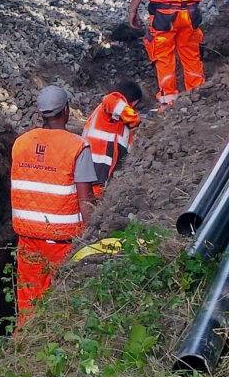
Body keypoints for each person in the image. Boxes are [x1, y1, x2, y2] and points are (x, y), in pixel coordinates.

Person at [10, 85, 98, 321]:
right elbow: (85, 199)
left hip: (27, 239)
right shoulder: (77, 147)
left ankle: (20, 349)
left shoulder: (21, 143)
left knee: (28, 304)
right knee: (58, 303)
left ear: (42, 114)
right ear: (66, 111)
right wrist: (93, 238)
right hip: (60, 242)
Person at [82, 80, 143, 197]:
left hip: (98, 163)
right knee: (92, 195)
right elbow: (117, 105)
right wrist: (136, 120)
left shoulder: (117, 119)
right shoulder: (112, 100)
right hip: (97, 161)